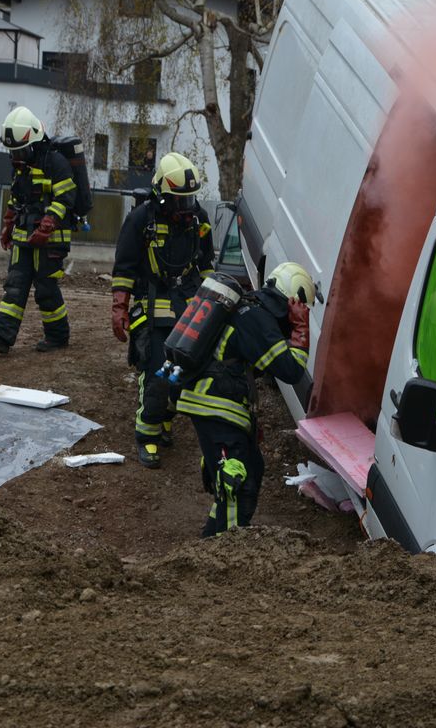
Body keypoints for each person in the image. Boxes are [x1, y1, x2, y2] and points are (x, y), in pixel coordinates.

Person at [177, 261, 314, 537]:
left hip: (219, 405)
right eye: (300, 308)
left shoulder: (250, 310)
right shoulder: (257, 319)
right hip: (216, 405)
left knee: (251, 470)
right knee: (235, 482)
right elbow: (291, 370)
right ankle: (226, 556)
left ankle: (211, 540)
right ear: (292, 298)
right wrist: (300, 332)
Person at [111, 152, 215, 468]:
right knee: (157, 371)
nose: (187, 209)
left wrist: (211, 306)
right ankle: (148, 437)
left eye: (190, 200)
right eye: (179, 202)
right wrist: (120, 306)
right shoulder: (141, 220)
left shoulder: (199, 220)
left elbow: (206, 266)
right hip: (152, 301)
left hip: (187, 302)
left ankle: (165, 419)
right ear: (161, 196)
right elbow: (125, 266)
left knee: (181, 371)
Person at [0, 106, 76, 354]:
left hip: (51, 240)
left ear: (33, 141)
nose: (15, 155)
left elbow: (66, 197)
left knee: (45, 289)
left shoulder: (55, 162)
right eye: (12, 150)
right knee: (15, 284)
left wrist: (48, 224)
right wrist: (8, 223)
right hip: (23, 235)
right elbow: (16, 197)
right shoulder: (20, 166)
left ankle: (58, 336)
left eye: (19, 149)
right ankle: (1, 337)